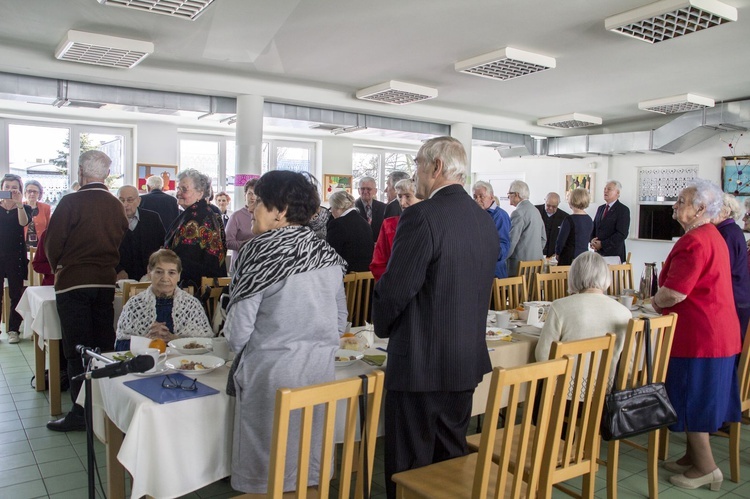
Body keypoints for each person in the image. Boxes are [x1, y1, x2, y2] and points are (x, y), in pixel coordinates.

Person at [372, 136, 499, 499]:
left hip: (420, 364)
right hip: (464, 362)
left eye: (417, 165)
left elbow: (396, 288)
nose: (415, 175)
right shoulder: (483, 219)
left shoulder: (421, 215)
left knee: (410, 467)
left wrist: (380, 325)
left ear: (437, 167)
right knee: (448, 464)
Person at [225, 170, 347, 494]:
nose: (251, 208)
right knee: (306, 472)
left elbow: (237, 334)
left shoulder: (258, 252)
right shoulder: (327, 254)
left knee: (268, 479)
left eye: (259, 202)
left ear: (279, 211)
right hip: (319, 374)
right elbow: (339, 322)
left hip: (272, 378)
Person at [652, 179, 741, 491]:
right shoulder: (712, 234)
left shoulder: (695, 240)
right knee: (700, 397)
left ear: (701, 209)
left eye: (682, 201)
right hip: (717, 332)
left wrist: (653, 301)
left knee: (693, 399)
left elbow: (675, 292)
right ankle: (692, 457)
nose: (676, 205)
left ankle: (706, 468)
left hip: (700, 336)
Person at [45, 150, 128, 431]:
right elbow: (120, 240)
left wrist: (60, 266)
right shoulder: (116, 205)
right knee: (102, 346)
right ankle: (105, 409)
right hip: (105, 281)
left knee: (76, 349)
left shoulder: (71, 202)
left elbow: (53, 244)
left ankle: (81, 413)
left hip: (74, 282)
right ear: (106, 174)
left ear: (81, 172)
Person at [535, 252, 631, 391]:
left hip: (563, 396)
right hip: (606, 397)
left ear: (574, 275)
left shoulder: (560, 307)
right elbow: (629, 365)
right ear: (606, 276)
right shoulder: (624, 312)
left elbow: (542, 356)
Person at [115, 249, 213, 351]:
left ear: (179, 275)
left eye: (171, 273)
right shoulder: (135, 305)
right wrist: (146, 341)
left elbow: (207, 344)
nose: (165, 278)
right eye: (159, 272)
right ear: (149, 272)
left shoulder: (191, 306)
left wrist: (175, 340)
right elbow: (119, 347)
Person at [164, 169, 227, 288]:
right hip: (205, 288)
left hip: (193, 289)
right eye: (178, 188)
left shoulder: (196, 218)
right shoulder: (202, 212)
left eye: (184, 189)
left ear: (200, 193)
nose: (178, 193)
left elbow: (186, 261)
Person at [712, 193, 750, 343]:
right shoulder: (732, 231)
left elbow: (722, 270)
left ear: (726, 212)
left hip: (735, 301)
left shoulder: (727, 233)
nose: (744, 219)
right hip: (739, 297)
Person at [0, 173, 31, 344]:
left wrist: (19, 205)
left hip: (16, 257)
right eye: (7, 188)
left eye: (14, 188)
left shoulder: (24, 208)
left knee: (15, 294)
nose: (11, 191)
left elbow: (22, 223)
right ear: (2, 189)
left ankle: (13, 329)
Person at [370, 178, 421, 281]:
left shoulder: (430, 224)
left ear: (420, 198)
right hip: (393, 286)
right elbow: (377, 263)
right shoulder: (389, 225)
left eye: (408, 196)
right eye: (399, 196)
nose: (402, 203)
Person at [116, 185, 166, 282]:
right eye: (121, 200)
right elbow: (105, 250)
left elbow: (163, 246)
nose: (125, 204)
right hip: (121, 278)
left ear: (138, 201)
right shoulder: (110, 221)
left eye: (130, 200)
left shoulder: (153, 218)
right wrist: (118, 269)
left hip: (149, 277)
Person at [326, 190, 374, 272]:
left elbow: (330, 255)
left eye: (331, 208)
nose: (331, 212)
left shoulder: (337, 224)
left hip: (346, 278)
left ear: (338, 207)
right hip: (365, 279)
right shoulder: (365, 223)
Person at [506, 180, 546, 276]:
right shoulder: (536, 210)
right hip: (537, 264)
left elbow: (512, 241)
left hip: (520, 266)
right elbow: (543, 238)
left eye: (509, 194)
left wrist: (501, 258)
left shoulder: (518, 213)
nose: (508, 197)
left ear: (516, 195)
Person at [473, 180, 511, 278]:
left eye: (481, 196)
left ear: (491, 196)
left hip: (494, 273)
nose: (477, 200)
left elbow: (503, 247)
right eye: (475, 197)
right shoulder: (475, 214)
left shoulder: (500, 216)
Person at [591, 180, 630, 263]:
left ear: (617, 192)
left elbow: (621, 234)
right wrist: (592, 241)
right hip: (598, 254)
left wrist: (602, 244)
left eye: (609, 189)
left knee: (611, 276)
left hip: (613, 255)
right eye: (605, 189)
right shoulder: (600, 208)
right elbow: (594, 227)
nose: (605, 191)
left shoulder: (623, 210)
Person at [555, 188, 594, 265]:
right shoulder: (589, 219)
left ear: (572, 200)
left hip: (569, 257)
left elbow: (561, 239)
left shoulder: (569, 219)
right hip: (584, 257)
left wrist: (557, 252)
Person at [225, 180, 257, 258]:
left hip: (259, 262)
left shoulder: (266, 215)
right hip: (240, 261)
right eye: (250, 193)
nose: (252, 197)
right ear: (245, 195)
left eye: (256, 194)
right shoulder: (236, 216)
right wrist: (249, 245)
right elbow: (227, 242)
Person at [536, 192, 568, 257]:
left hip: (553, 254)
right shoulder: (535, 211)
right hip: (536, 251)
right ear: (545, 201)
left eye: (554, 206)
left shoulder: (565, 217)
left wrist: (558, 252)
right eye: (548, 205)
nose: (550, 208)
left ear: (558, 204)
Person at [355, 176, 386, 242]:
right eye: (362, 189)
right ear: (358, 191)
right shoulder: (352, 208)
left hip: (378, 247)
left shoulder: (383, 207)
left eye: (368, 189)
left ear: (375, 191)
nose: (365, 192)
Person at [23, 179, 51, 249]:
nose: (32, 194)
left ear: (39, 194)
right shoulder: (19, 207)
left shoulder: (46, 208)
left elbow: (49, 228)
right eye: (29, 191)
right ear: (25, 193)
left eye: (35, 192)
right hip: (22, 245)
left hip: (40, 246)